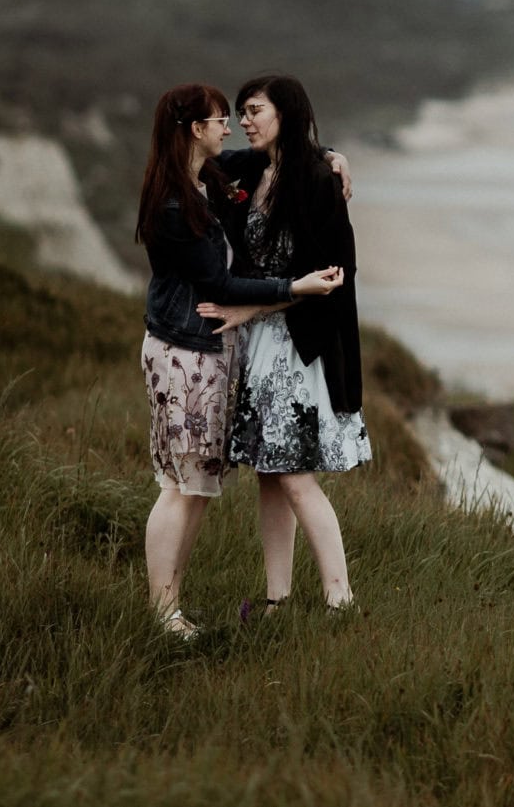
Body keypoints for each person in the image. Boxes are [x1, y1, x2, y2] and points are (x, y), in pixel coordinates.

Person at [135, 83, 344, 638]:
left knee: (197, 486)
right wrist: (293, 287)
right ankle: (163, 612)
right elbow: (220, 283)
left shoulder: (205, 177)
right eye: (219, 118)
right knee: (179, 487)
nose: (229, 126)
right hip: (184, 352)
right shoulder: (178, 201)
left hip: (206, 353)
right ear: (193, 130)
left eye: (241, 114)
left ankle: (172, 605)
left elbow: (271, 151)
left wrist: (329, 155)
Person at [195, 74, 369, 620]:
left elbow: (337, 275)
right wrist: (334, 150)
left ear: (285, 114)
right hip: (257, 344)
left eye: (254, 110)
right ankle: (277, 599)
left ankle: (341, 601)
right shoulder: (248, 169)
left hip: (299, 344)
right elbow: (197, 169)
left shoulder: (317, 181)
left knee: (294, 474)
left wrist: (253, 308)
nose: (244, 121)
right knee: (270, 474)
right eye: (241, 112)